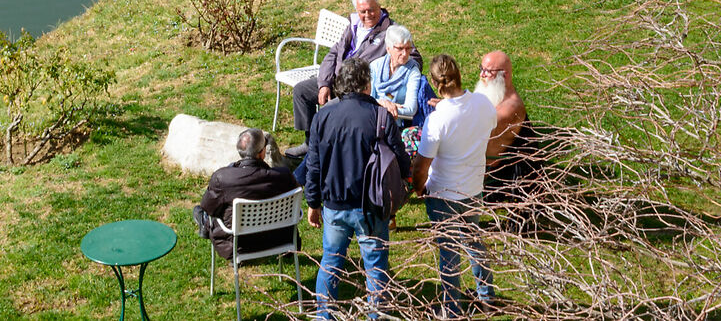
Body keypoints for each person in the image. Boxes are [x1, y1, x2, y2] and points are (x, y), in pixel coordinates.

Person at [306, 58, 404, 318]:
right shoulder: (380, 115)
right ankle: (377, 315)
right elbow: (401, 159)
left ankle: (324, 316)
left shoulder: (323, 116)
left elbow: (313, 166)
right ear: (367, 85)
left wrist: (313, 204)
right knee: (376, 267)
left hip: (334, 206)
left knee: (331, 263)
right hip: (371, 208)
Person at [412, 53, 497, 313]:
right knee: (474, 241)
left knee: (449, 253)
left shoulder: (436, 120)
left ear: (437, 84)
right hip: (473, 189)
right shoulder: (484, 104)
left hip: (443, 194)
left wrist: (418, 189)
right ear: (459, 75)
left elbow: (421, 166)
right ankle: (487, 295)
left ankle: (451, 308)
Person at [291, 0, 393, 136]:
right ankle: (309, 141)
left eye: (371, 10)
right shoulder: (352, 26)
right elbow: (333, 53)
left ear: (379, 6)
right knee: (301, 91)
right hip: (336, 80)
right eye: (362, 11)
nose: (367, 15)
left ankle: (325, 144)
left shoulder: (389, 31)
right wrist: (324, 84)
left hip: (357, 89)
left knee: (328, 110)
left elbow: (412, 56)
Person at [194, 128, 300, 258]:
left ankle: (205, 227)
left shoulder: (223, 178)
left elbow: (208, 207)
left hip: (237, 245)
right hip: (279, 240)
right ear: (262, 153)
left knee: (200, 210)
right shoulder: (283, 176)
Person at [369, 27, 430, 137]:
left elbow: (411, 109)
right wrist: (384, 104)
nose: (405, 53)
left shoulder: (412, 71)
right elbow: (367, 99)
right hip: (371, 121)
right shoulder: (375, 66)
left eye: (408, 48)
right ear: (388, 49)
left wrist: (387, 109)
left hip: (396, 127)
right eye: (400, 48)